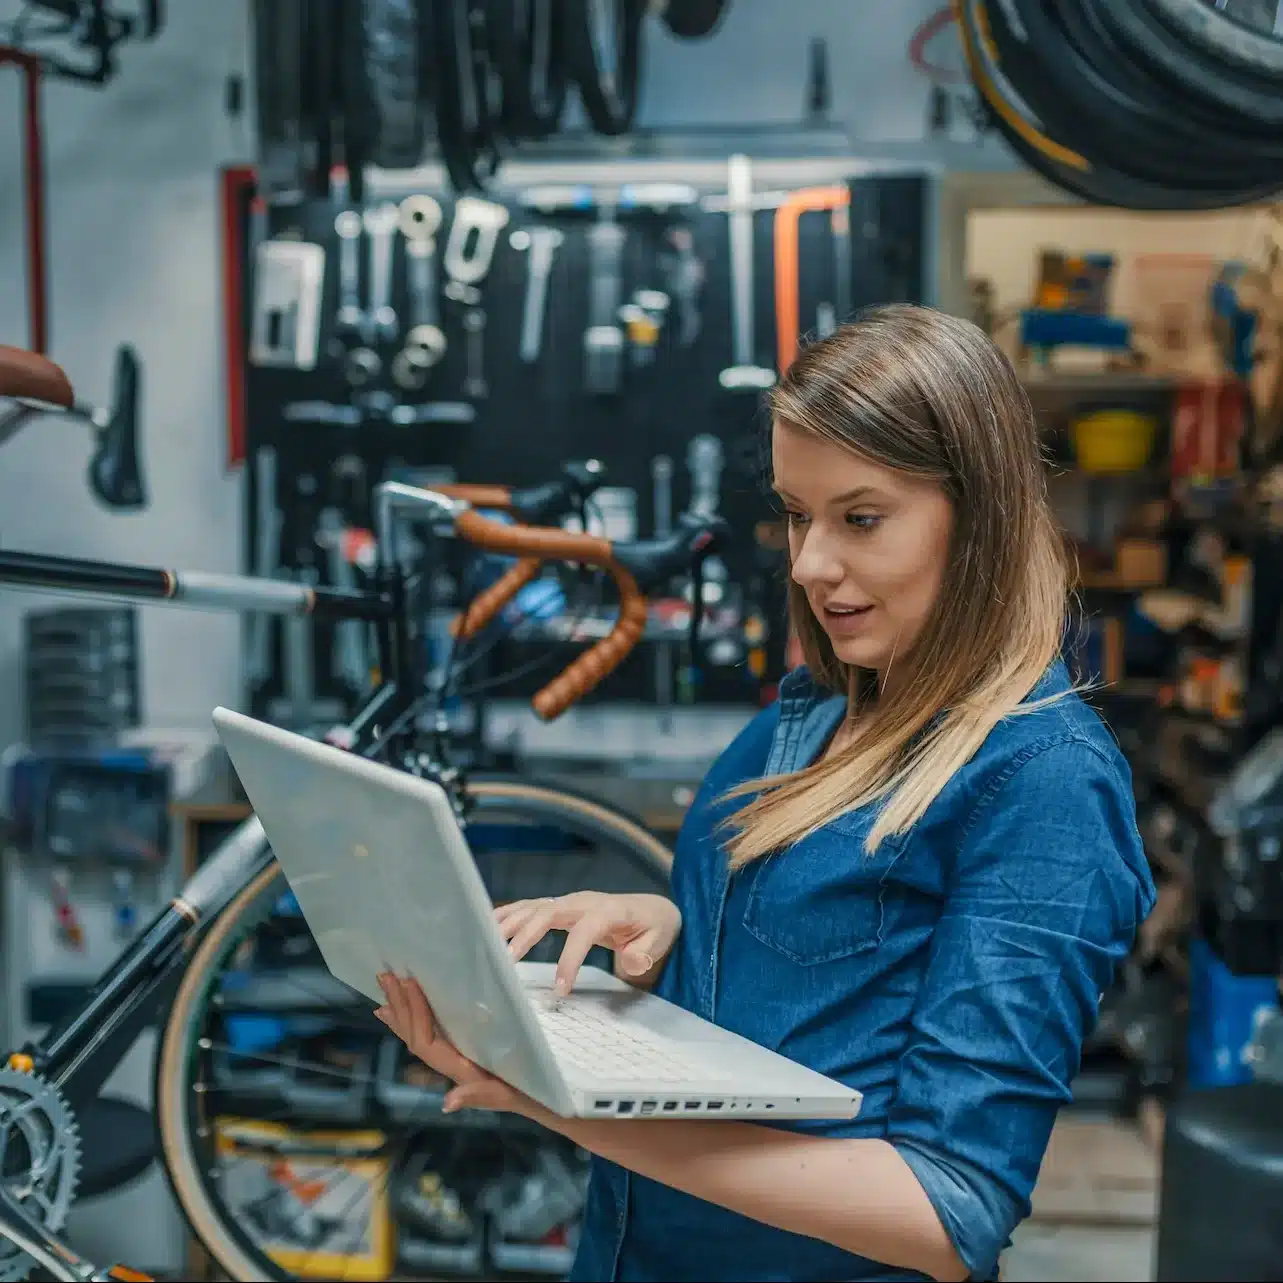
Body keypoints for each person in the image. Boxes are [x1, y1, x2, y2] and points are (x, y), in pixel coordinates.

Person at [374, 303, 1157, 1283]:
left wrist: (554, 1096)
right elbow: (816, 983)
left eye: (858, 517)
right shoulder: (805, 719)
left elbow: (946, 1205)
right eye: (795, 512)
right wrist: (660, 933)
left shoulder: (1040, 782)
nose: (808, 563)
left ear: (980, 517)